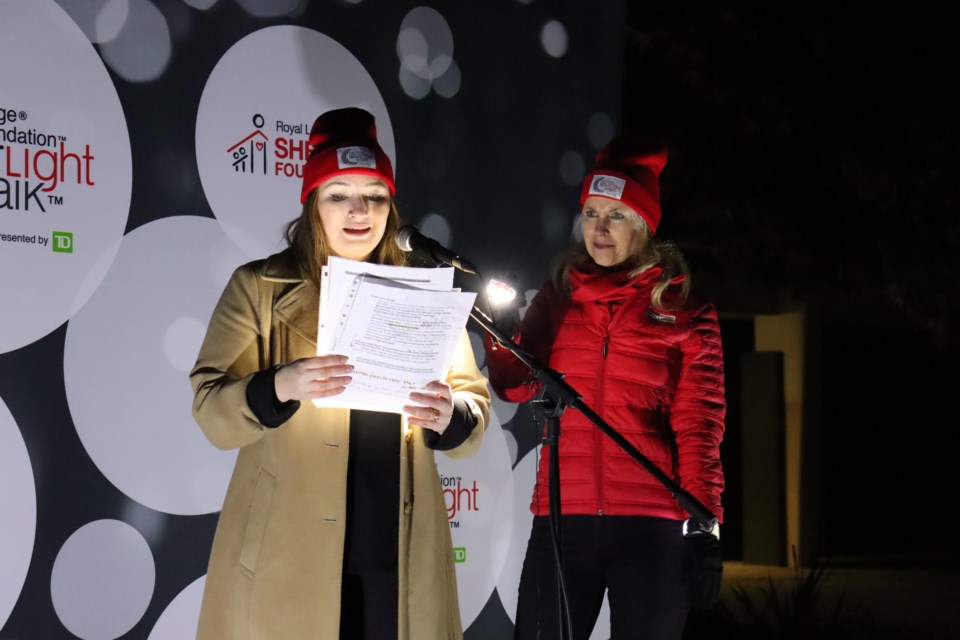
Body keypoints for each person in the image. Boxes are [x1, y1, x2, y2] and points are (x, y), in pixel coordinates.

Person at [189, 107, 491, 640]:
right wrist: (282, 385)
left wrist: (451, 414)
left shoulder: (423, 291)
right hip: (289, 554)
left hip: (397, 550)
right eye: (338, 194)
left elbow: (471, 409)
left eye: (375, 195)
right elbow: (212, 413)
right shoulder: (259, 287)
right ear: (313, 206)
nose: (359, 211)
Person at [483, 133, 725, 640]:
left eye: (615, 215)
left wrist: (705, 524)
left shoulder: (687, 313)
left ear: (643, 223)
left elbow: (699, 425)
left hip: (651, 523)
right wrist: (502, 334)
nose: (599, 228)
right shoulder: (559, 295)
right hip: (562, 519)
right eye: (591, 213)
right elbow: (514, 385)